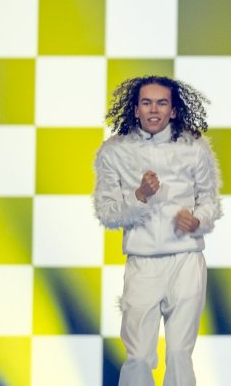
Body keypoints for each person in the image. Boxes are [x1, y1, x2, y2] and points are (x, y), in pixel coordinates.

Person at [93, 76, 222, 385]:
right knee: (138, 355)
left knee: (179, 352)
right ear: (135, 109)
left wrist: (197, 220)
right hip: (143, 261)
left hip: (186, 260)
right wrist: (139, 197)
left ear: (173, 110)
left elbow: (210, 201)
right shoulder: (114, 152)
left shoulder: (194, 147)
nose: (154, 110)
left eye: (162, 103)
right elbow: (107, 213)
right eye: (147, 102)